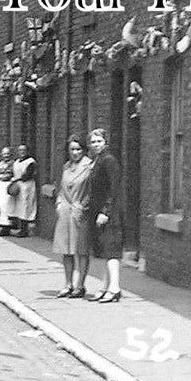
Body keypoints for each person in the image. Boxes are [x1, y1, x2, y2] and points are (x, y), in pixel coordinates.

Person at [52, 135, 93, 298]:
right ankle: (68, 284)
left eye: (78, 149)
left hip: (80, 211)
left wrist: (83, 205)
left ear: (83, 150)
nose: (75, 152)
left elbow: (92, 190)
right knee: (66, 249)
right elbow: (61, 188)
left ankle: (80, 285)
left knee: (81, 249)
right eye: (72, 149)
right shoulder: (66, 166)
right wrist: (59, 202)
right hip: (65, 212)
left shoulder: (89, 166)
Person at [84, 128, 123, 302]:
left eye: (99, 141)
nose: (96, 145)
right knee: (104, 250)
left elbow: (114, 189)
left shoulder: (109, 160)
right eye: (93, 142)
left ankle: (114, 288)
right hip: (97, 210)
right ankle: (105, 286)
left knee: (111, 250)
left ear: (105, 142)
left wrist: (105, 211)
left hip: (109, 213)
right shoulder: (97, 160)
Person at [9, 144, 38, 237]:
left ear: (27, 151)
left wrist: (18, 179)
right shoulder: (17, 161)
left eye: (23, 150)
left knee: (25, 206)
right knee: (18, 206)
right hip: (18, 186)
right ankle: (17, 226)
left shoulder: (30, 162)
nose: (21, 152)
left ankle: (24, 229)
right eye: (20, 150)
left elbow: (27, 175)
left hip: (27, 186)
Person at [0, 146, 16, 235]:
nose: (5, 155)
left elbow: (9, 174)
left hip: (5, 186)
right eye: (4, 153)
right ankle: (0, 224)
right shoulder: (1, 163)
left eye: (7, 153)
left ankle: (6, 227)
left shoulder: (12, 163)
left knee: (5, 206)